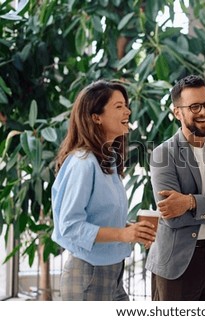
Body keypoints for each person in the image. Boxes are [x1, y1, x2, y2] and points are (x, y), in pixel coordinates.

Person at [51, 80, 156, 301]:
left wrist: (132, 230)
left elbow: (98, 218)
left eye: (126, 105)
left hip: (113, 272)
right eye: (119, 106)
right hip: (89, 275)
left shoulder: (107, 162)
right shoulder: (83, 162)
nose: (128, 110)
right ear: (95, 116)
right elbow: (70, 226)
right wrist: (122, 234)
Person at [146, 74, 205, 301]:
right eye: (195, 106)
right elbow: (171, 218)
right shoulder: (163, 154)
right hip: (175, 265)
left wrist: (189, 202)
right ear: (178, 112)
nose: (204, 112)